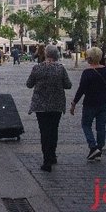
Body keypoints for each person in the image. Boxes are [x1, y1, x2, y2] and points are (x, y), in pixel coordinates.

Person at [26, 44, 72, 172]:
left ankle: (46, 160)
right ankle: (52, 155)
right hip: (56, 105)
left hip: (40, 105)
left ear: (46, 55)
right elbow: (68, 85)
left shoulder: (37, 68)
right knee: (53, 130)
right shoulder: (60, 69)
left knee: (44, 132)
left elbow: (29, 84)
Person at [70, 47, 106, 161]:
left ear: (89, 58)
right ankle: (99, 151)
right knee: (101, 127)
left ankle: (93, 147)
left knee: (86, 125)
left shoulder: (87, 72)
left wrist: (74, 103)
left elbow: (81, 89)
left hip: (91, 103)